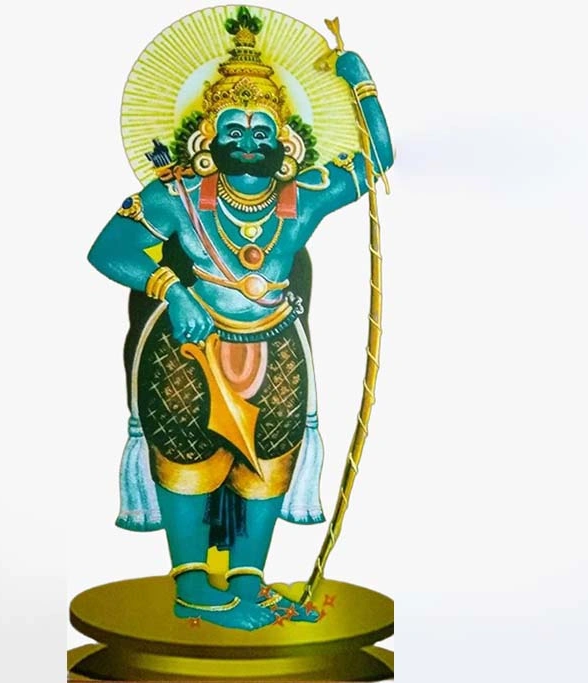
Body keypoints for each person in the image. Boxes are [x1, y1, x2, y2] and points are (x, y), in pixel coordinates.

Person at [87, 7, 392, 630]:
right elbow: (109, 250)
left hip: (275, 344)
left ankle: (249, 583)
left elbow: (378, 159)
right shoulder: (176, 197)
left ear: (286, 142)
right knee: (187, 454)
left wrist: (358, 77)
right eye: (233, 126)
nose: (248, 139)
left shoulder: (303, 196)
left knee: (270, 459)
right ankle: (193, 587)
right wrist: (171, 289)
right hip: (189, 347)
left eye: (261, 129)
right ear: (207, 138)